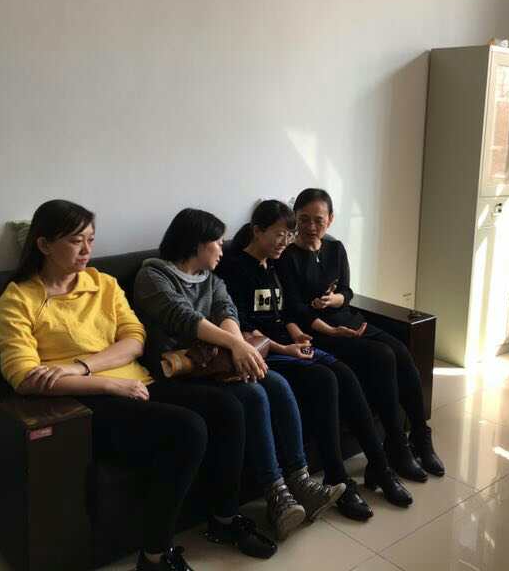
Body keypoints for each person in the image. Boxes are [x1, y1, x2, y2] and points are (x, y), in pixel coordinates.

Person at [0, 200, 213, 571]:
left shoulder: (103, 283)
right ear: (44, 245)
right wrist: (108, 385)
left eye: (91, 240)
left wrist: (79, 366)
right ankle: (155, 555)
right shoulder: (18, 299)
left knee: (227, 407)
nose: (86, 250)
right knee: (189, 428)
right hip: (88, 404)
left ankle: (224, 519)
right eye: (76, 241)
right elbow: (24, 376)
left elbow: (134, 339)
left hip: (136, 382)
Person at [132, 208, 345, 541]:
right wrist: (237, 345)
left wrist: (239, 351)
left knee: (276, 382)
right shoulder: (153, 276)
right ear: (196, 244)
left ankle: (301, 482)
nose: (223, 248)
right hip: (179, 370)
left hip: (217, 364)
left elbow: (226, 310)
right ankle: (277, 495)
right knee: (254, 393)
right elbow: (183, 318)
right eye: (217, 242)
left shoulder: (211, 279)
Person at [219, 200, 412, 517]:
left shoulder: (272, 264)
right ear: (257, 231)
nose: (285, 242)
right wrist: (285, 349)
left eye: (288, 235)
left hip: (287, 345)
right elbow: (241, 328)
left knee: (345, 374)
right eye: (279, 234)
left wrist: (297, 335)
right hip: (265, 352)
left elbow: (284, 315)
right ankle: (338, 477)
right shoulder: (233, 269)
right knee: (325, 379)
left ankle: (380, 466)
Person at [277, 189, 444, 481]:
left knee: (401, 353)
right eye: (304, 219)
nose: (311, 227)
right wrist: (330, 327)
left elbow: (347, 291)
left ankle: (420, 436)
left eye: (318, 219)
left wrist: (336, 300)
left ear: (330, 219)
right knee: (383, 356)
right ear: (296, 219)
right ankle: (396, 447)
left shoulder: (335, 248)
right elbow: (294, 309)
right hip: (321, 332)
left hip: (349, 320)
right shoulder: (287, 257)